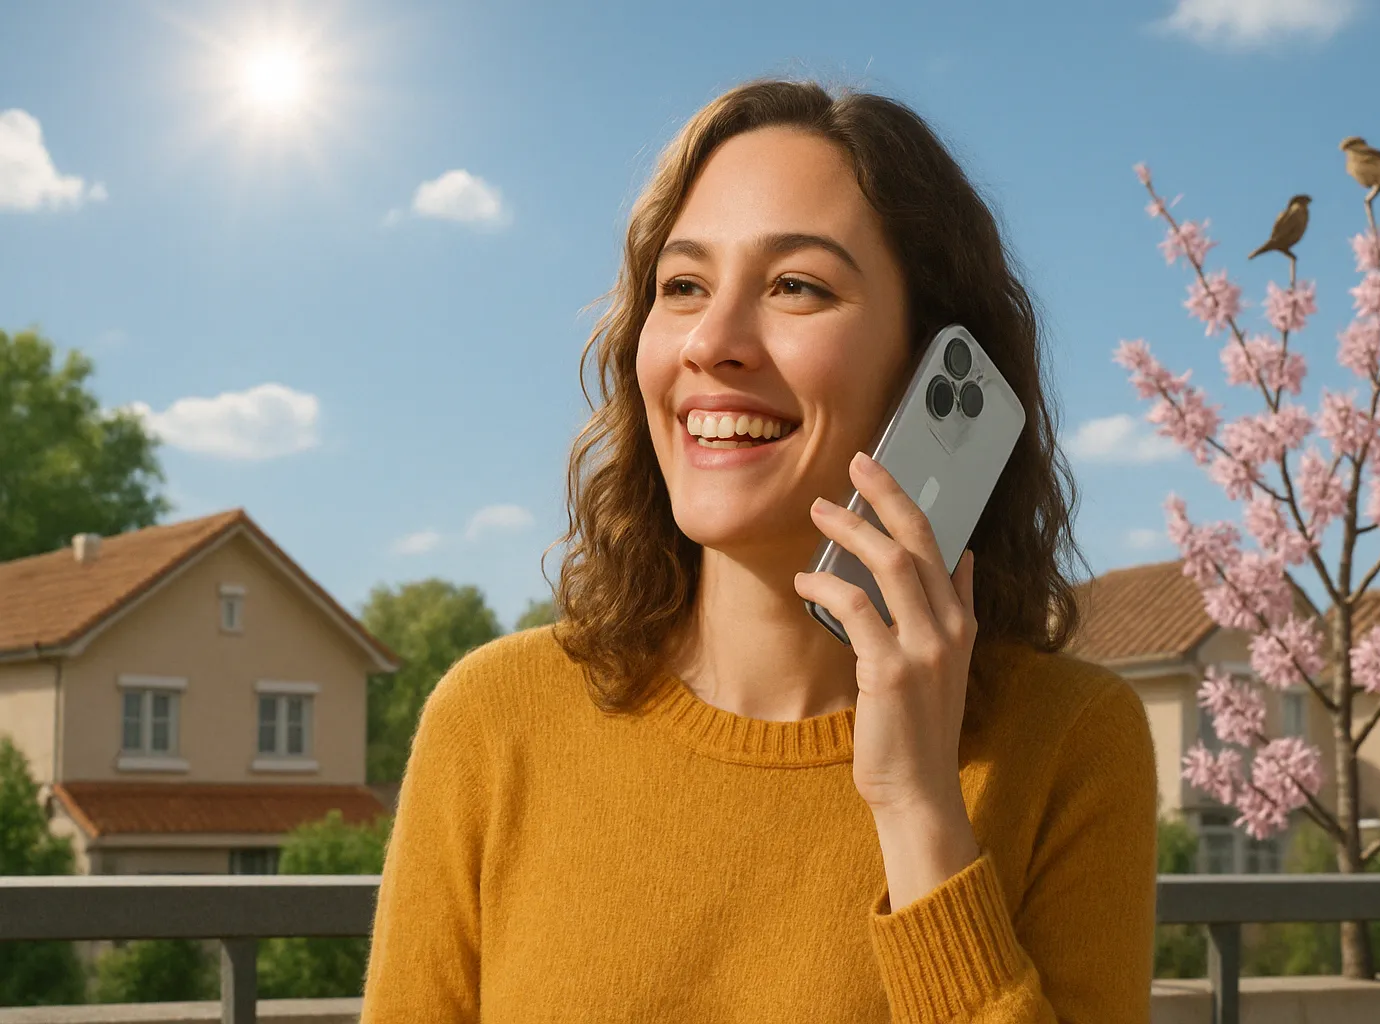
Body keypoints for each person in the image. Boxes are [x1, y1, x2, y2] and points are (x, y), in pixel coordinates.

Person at [360, 77, 1157, 1023]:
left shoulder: (1070, 742)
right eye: (683, 286)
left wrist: (918, 809)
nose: (712, 342)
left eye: (796, 287)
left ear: (929, 366)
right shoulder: (493, 721)